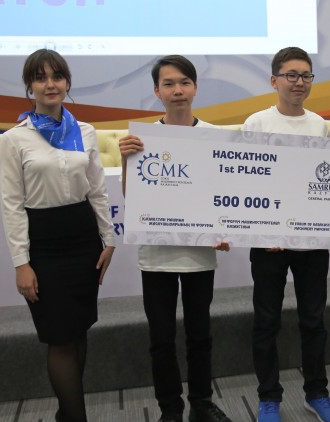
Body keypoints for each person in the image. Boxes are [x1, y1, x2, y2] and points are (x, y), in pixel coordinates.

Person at [0, 49, 115, 422]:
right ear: (29, 87)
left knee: (78, 331)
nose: (50, 84)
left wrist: (109, 239)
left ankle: (66, 415)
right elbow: (11, 205)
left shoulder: (85, 132)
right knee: (60, 338)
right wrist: (21, 263)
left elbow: (97, 191)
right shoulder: (15, 139)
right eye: (40, 78)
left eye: (57, 76)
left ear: (67, 82)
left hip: (83, 239)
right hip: (44, 245)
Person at [118, 55, 232, 422]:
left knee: (200, 335)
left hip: (200, 253)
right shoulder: (142, 139)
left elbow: (225, 194)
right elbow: (132, 198)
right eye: (168, 84)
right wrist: (126, 161)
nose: (177, 90)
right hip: (156, 255)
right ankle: (171, 409)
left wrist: (226, 230)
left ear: (195, 88)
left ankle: (201, 402)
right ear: (157, 91)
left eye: (184, 82)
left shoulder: (215, 136)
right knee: (161, 339)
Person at [242, 47, 330, 422]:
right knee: (266, 322)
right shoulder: (256, 123)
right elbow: (244, 181)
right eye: (291, 75)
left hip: (311, 243)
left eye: (306, 75)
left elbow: (322, 182)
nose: (299, 82)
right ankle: (268, 398)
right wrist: (262, 230)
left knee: (313, 321)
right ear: (274, 80)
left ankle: (316, 394)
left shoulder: (320, 125)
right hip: (268, 243)